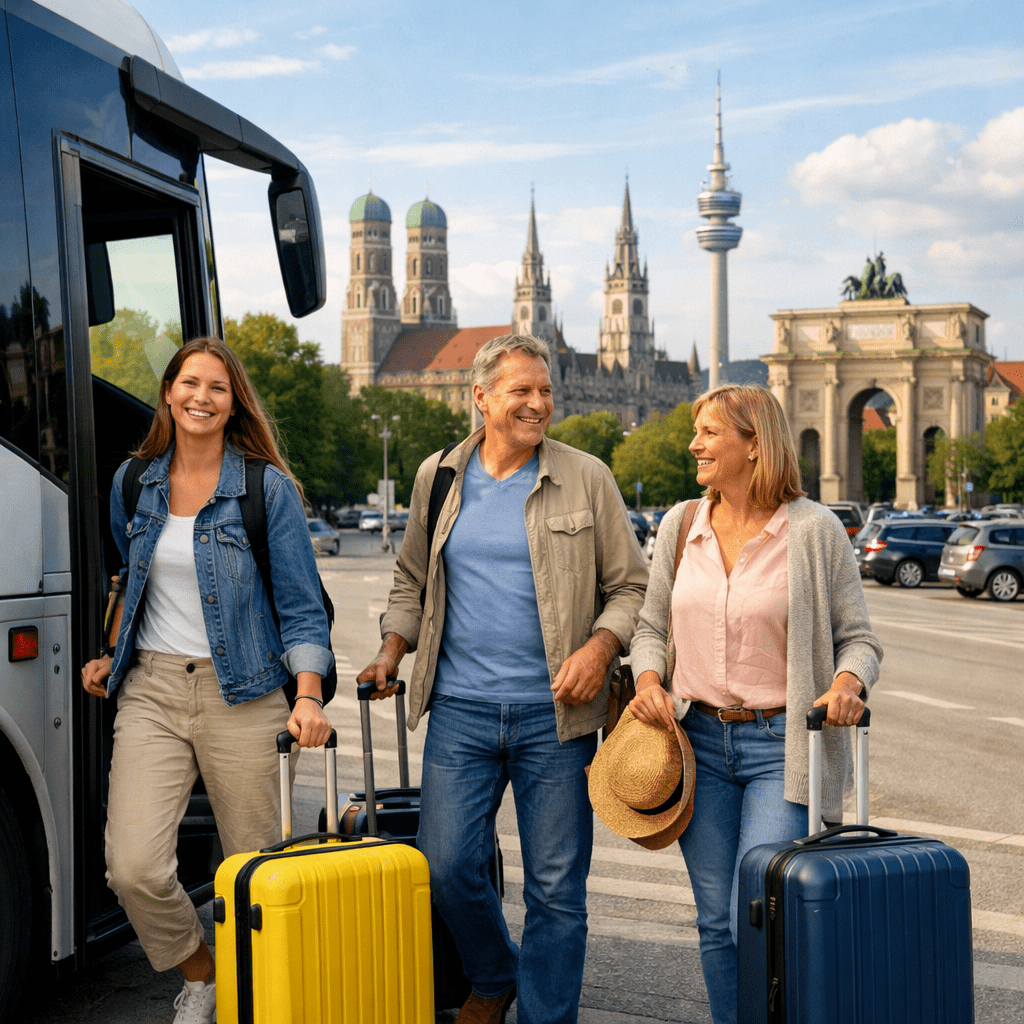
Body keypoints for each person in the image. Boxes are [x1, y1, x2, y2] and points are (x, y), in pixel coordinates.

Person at [358, 333, 648, 1024]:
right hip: (459, 709)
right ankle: (494, 975)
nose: (538, 404)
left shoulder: (587, 476)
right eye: (521, 391)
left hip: (559, 718)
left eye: (545, 391)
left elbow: (632, 587)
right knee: (446, 866)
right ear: (480, 398)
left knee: (556, 890)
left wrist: (600, 648)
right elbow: (412, 578)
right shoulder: (439, 476)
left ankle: (546, 1015)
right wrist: (391, 649)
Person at [81, 337, 333, 1024]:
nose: (201, 397)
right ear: (168, 392)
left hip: (247, 694)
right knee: (133, 868)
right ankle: (202, 973)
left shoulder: (264, 488)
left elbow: (303, 606)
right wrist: (113, 650)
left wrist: (307, 695)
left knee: (256, 876)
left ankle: (265, 1000)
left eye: (217, 388)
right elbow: (128, 579)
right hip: (154, 692)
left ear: (233, 403)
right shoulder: (134, 481)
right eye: (190, 383)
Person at [628, 383, 882, 1024]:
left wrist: (847, 683)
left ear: (754, 444)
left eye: (710, 433)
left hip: (781, 749)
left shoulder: (815, 531)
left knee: (758, 922)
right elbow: (650, 627)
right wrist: (649, 677)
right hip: (697, 747)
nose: (695, 444)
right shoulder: (680, 524)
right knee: (716, 921)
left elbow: (859, 640)